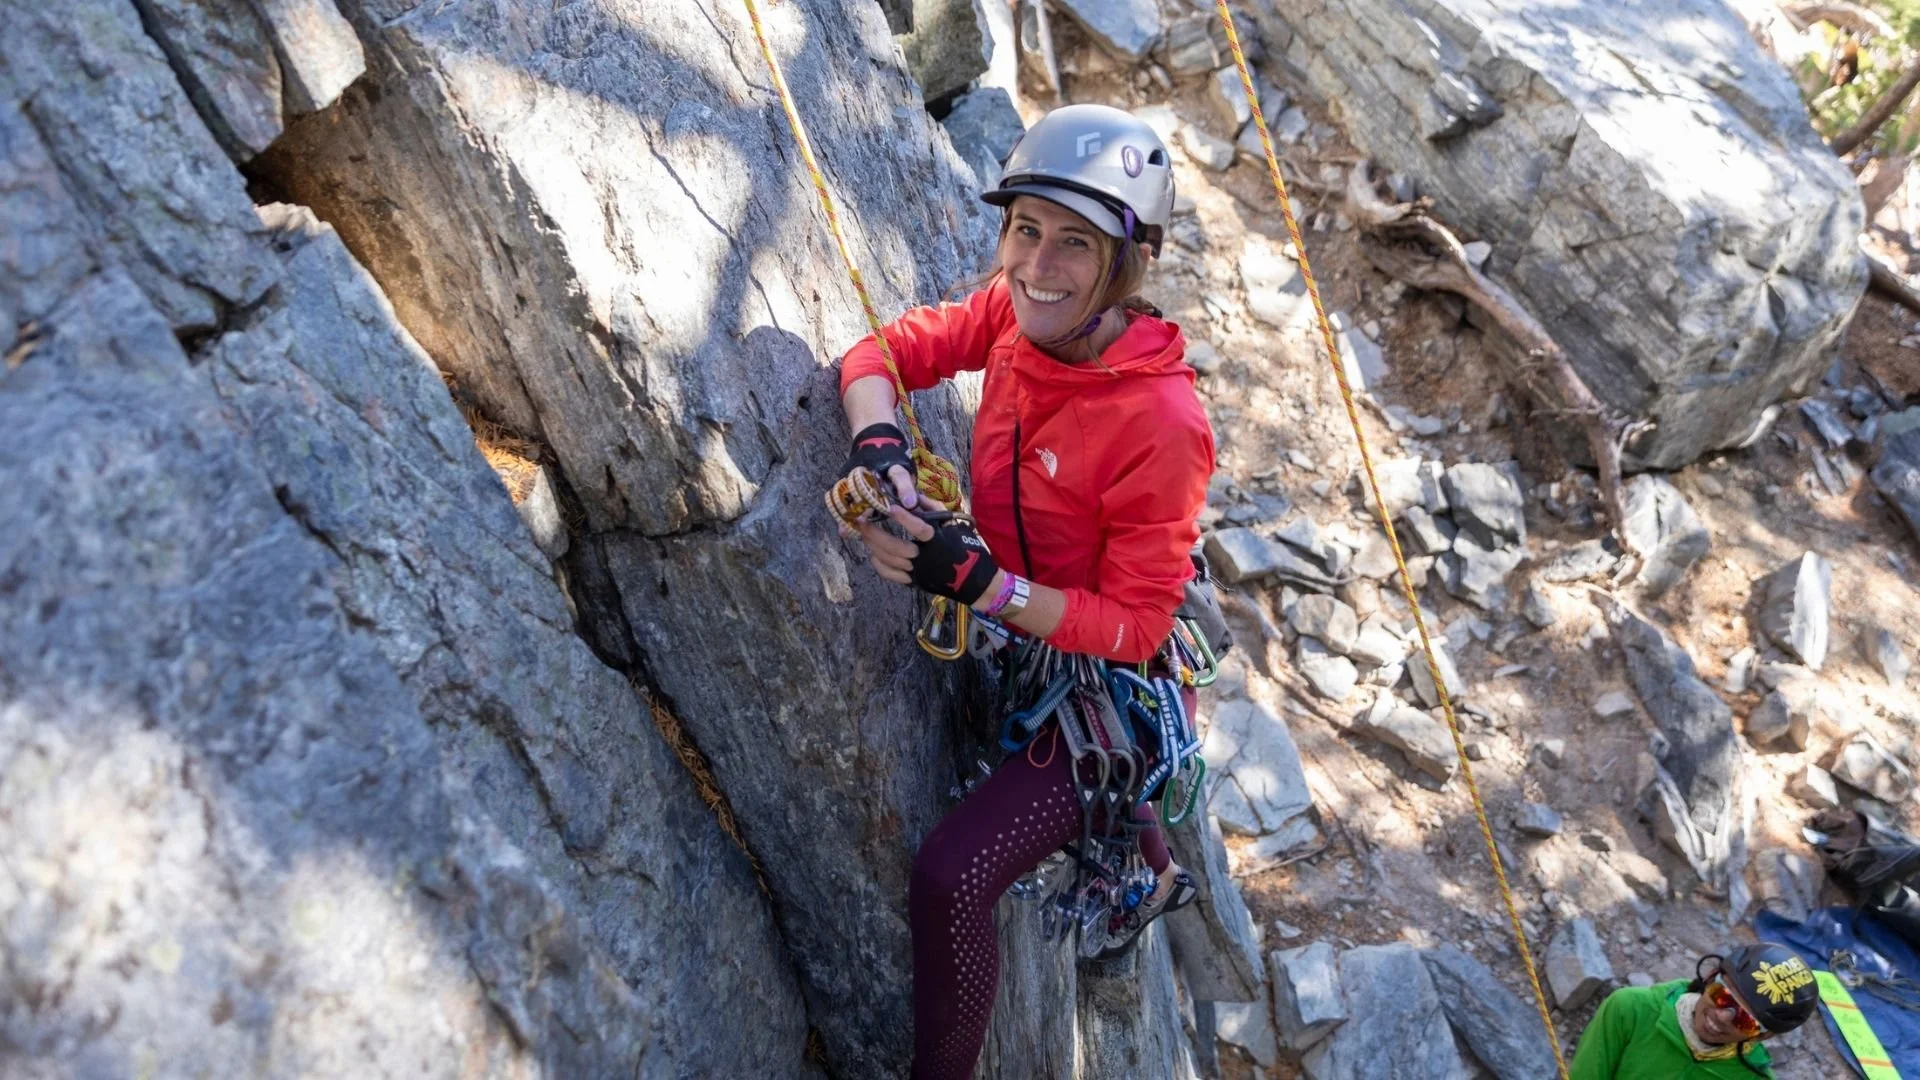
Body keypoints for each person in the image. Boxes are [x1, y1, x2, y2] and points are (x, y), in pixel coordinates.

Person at [834, 103, 1214, 1080]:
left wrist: (982, 587)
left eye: (1074, 244)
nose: (1037, 265)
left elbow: (1135, 627)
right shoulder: (1014, 314)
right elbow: (878, 356)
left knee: (951, 878)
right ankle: (1145, 850)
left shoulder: (1161, 421)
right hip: (1019, 622)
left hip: (1106, 688)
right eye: (1025, 230)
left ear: (1127, 263)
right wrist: (878, 444)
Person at [1570, 943, 1821, 1078]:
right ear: (1711, 977)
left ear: (1763, 1036)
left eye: (1744, 1019)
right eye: (1723, 997)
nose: (1723, 1017)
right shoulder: (1631, 1009)